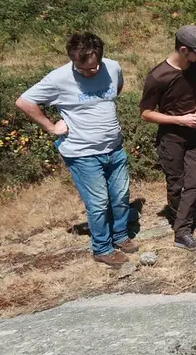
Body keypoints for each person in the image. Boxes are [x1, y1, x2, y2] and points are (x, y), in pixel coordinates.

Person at [16, 33, 136, 267]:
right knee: (99, 202)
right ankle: (102, 248)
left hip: (114, 147)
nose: (88, 73)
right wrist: (51, 127)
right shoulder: (59, 78)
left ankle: (120, 235)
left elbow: (116, 89)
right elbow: (24, 102)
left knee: (121, 196)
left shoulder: (112, 67)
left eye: (92, 68)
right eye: (81, 69)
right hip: (82, 154)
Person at [140, 25, 196, 252]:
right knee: (176, 185)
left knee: (195, 183)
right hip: (171, 138)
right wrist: (180, 120)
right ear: (184, 50)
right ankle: (182, 218)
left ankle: (181, 231)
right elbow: (145, 113)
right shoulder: (157, 76)